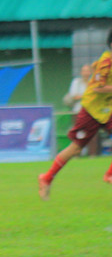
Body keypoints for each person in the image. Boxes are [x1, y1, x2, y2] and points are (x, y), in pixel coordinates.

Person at [38, 29, 112, 200]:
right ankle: (47, 177)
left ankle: (109, 175)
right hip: (92, 111)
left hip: (107, 110)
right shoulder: (107, 61)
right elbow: (98, 88)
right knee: (76, 148)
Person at [64, 63, 100, 156]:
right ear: (81, 72)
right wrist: (87, 96)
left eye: (88, 71)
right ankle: (76, 155)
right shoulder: (76, 82)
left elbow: (97, 95)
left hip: (92, 112)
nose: (86, 73)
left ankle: (92, 154)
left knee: (93, 134)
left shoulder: (94, 82)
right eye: (84, 71)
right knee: (78, 134)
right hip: (78, 111)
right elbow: (74, 95)